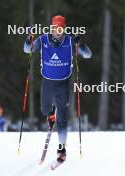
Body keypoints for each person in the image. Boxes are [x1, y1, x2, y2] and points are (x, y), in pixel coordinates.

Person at [23, 15, 92, 163]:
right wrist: (29, 39)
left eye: (61, 28)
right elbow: (26, 50)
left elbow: (87, 55)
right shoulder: (43, 40)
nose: (58, 31)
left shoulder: (70, 41)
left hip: (63, 84)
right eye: (55, 28)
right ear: (52, 27)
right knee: (44, 109)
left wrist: (81, 44)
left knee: (63, 120)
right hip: (47, 83)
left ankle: (61, 150)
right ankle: (50, 115)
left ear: (64, 28)